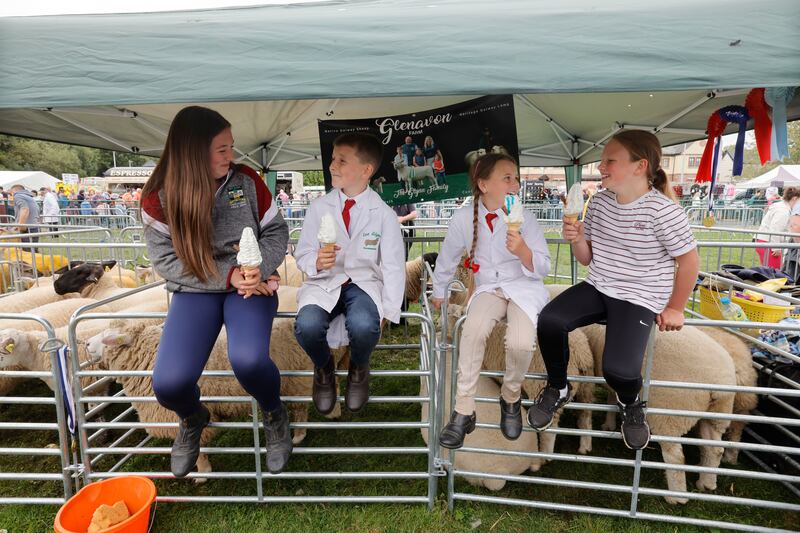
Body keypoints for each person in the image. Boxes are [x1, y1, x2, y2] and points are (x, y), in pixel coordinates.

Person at [140, 106, 292, 477]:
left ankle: (274, 412)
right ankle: (193, 418)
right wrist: (228, 276)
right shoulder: (157, 199)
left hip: (249, 286)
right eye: (222, 150)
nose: (231, 156)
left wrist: (258, 271)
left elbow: (276, 232)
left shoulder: (247, 182)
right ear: (193, 153)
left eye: (231, 147)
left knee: (249, 360)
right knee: (169, 384)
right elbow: (168, 263)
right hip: (198, 289)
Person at [530, 130, 699, 451]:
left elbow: (690, 262)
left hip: (640, 296)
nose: (601, 166)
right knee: (550, 320)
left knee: (618, 371)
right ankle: (558, 386)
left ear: (640, 166)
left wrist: (676, 307)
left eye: (610, 160)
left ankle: (631, 402)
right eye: (602, 159)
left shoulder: (664, 211)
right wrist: (577, 237)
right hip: (600, 285)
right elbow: (587, 258)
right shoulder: (600, 202)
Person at [432, 153, 551, 449]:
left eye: (516, 178)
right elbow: (447, 257)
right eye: (506, 177)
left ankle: (510, 397)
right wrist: (438, 290)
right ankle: (463, 410)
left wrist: (523, 249)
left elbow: (544, 266)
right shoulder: (463, 218)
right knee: (472, 332)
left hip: (523, 287)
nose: (515, 183)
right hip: (489, 288)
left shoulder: (526, 217)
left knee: (521, 342)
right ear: (483, 184)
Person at [293, 133, 405, 415]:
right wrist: (316, 261)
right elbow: (302, 253)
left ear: (366, 170)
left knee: (366, 326)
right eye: (333, 159)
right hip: (325, 282)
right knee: (306, 327)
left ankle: (358, 368)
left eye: (342, 161)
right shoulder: (319, 208)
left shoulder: (383, 214)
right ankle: (324, 369)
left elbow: (392, 265)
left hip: (363, 284)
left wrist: (388, 311)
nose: (333, 166)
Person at [755, 187, 800, 268]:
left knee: (770, 272)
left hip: (767, 242)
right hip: (769, 243)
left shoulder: (783, 206)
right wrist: (776, 248)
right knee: (774, 273)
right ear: (795, 198)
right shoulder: (783, 210)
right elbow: (775, 229)